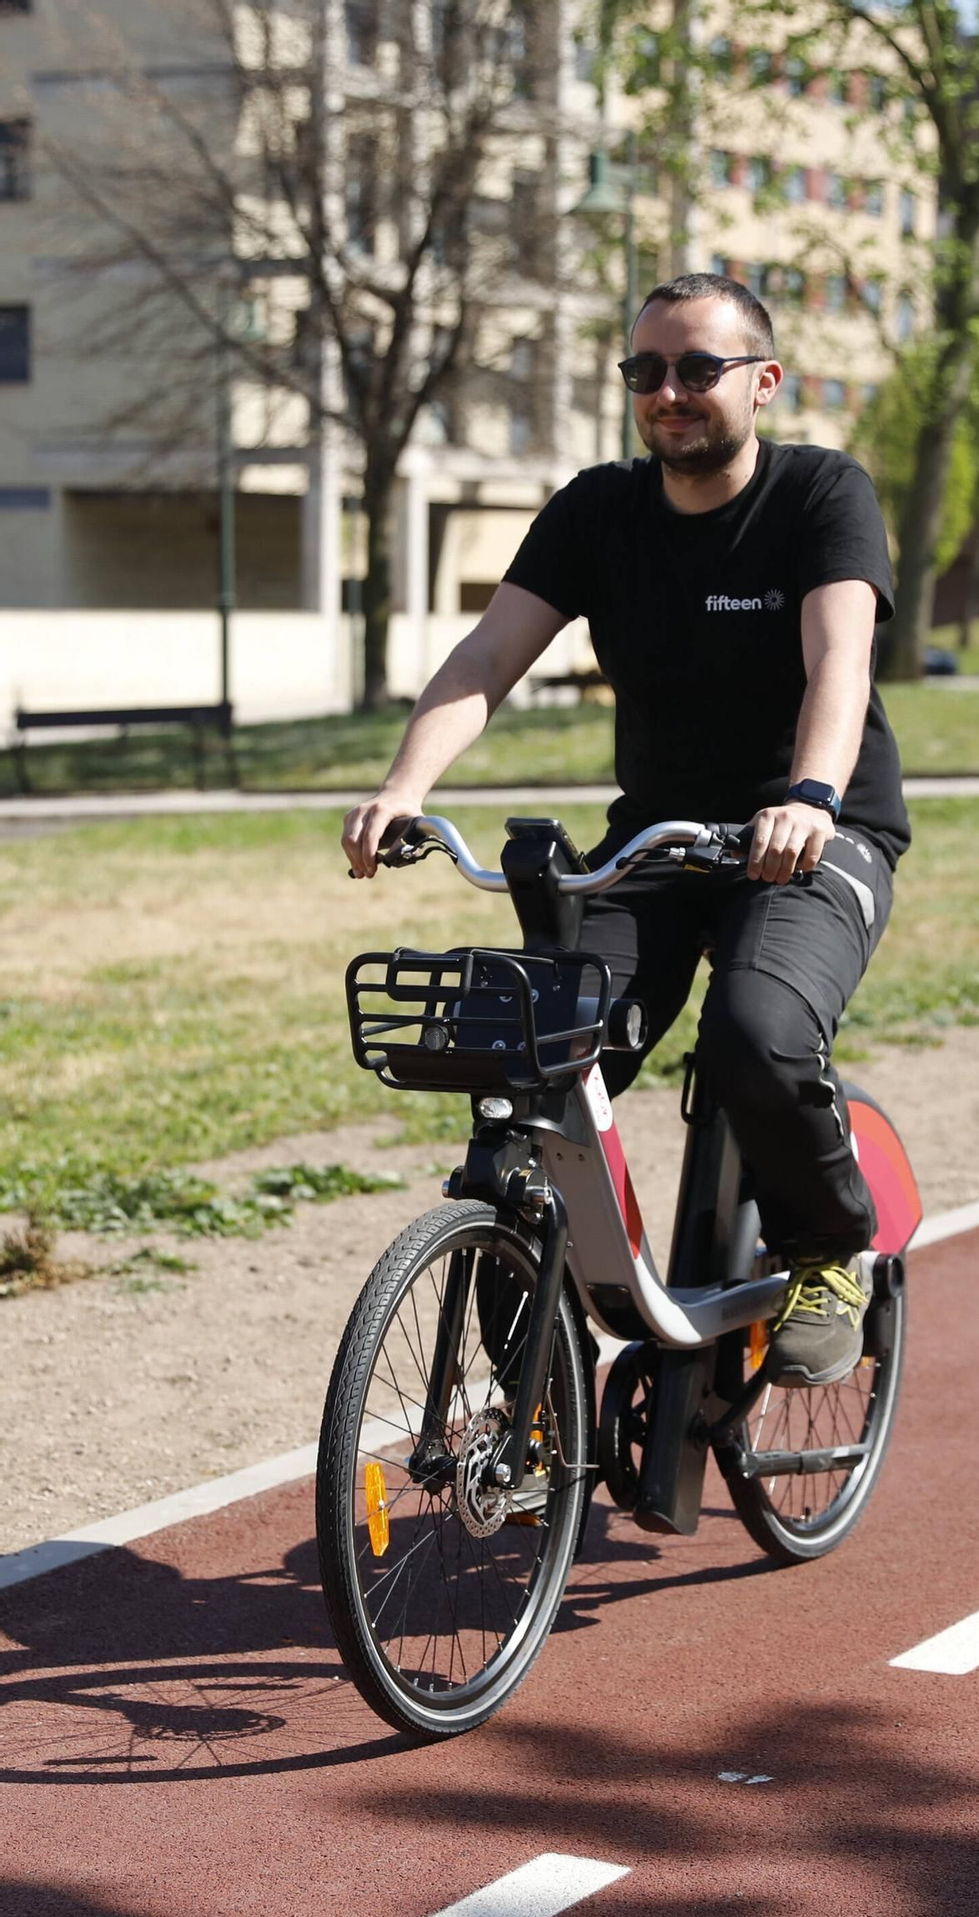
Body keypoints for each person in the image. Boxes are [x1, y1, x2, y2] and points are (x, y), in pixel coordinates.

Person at [342, 273, 910, 1386]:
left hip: (814, 833)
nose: (668, 392)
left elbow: (838, 660)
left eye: (697, 369)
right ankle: (534, 1361)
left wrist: (809, 797)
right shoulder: (597, 511)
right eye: (645, 372)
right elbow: (484, 658)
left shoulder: (818, 495)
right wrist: (405, 783)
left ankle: (825, 1243)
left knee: (755, 1029)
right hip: (655, 843)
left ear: (763, 380)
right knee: (527, 1052)